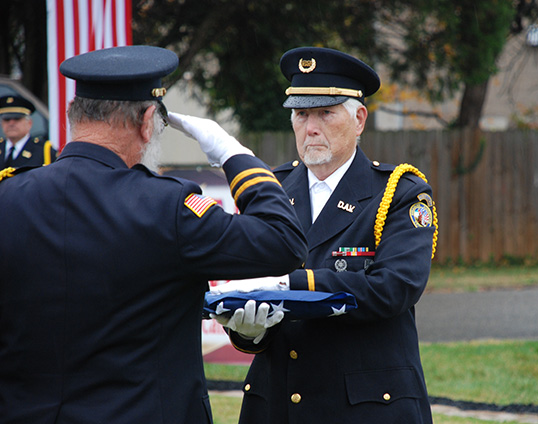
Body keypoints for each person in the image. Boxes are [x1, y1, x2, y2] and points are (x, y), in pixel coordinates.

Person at [0, 45, 307, 424]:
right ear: (148, 120)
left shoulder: (8, 197)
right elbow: (284, 240)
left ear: (71, 117)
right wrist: (232, 154)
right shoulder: (167, 208)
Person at [211, 47, 439, 424]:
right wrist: (248, 333)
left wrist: (291, 284)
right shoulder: (271, 190)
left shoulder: (399, 193)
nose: (310, 127)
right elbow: (248, 288)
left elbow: (395, 287)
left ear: (359, 119)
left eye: (325, 113)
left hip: (365, 407)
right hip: (279, 403)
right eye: (301, 114)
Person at [0, 94, 57, 168]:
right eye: (7, 119)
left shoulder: (44, 151)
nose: (11, 123)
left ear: (29, 123)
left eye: (17, 119)